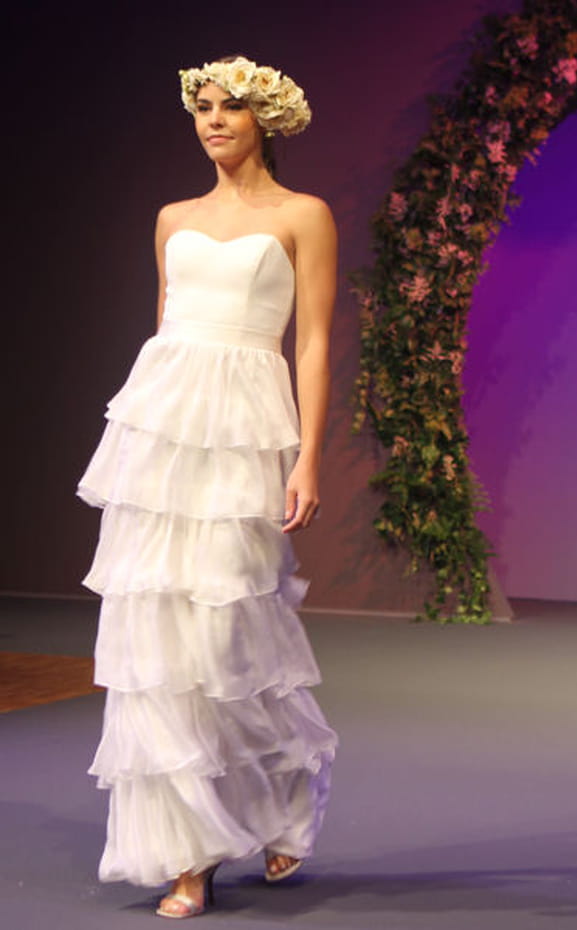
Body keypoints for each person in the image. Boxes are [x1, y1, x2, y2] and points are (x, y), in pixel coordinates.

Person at [77, 55, 339, 919]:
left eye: (230, 106)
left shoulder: (303, 215)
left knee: (229, 631)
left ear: (266, 118)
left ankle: (277, 794)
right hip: (164, 439)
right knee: (159, 638)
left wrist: (306, 456)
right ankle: (187, 855)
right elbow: (166, 334)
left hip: (245, 434)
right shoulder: (173, 219)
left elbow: (312, 341)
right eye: (203, 107)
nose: (214, 120)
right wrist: (146, 444)